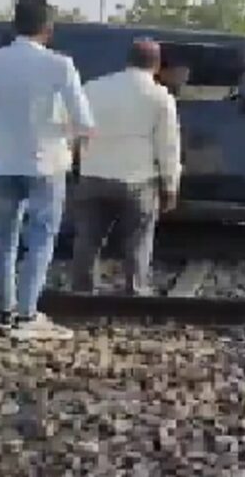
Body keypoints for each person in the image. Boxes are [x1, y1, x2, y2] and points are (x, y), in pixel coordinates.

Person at [0, 0, 95, 340]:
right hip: (47, 165)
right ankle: (27, 315)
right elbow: (84, 122)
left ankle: (3, 312)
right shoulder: (59, 65)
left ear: (13, 24)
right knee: (40, 239)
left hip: (1, 163)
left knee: (3, 241)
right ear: (48, 29)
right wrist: (67, 132)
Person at [71, 39, 181, 296]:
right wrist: (170, 185)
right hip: (137, 179)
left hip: (93, 174)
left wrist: (76, 163)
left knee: (87, 239)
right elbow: (168, 145)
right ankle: (136, 290)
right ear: (156, 65)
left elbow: (75, 130)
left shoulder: (92, 88)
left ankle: (81, 292)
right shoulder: (160, 96)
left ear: (128, 60)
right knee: (137, 241)